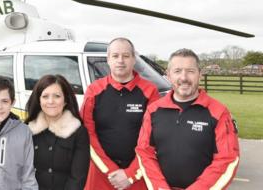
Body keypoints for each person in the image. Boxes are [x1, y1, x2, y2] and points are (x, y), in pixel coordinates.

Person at [136, 49, 240, 190]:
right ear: (168, 75)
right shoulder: (153, 110)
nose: (184, 77)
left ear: (200, 75)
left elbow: (228, 159)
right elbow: (144, 151)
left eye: (190, 71)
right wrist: (159, 186)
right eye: (177, 71)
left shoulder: (219, 112)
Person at [81, 37, 160, 190]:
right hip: (101, 174)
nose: (120, 60)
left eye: (126, 56)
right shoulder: (94, 90)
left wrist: (131, 174)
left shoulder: (150, 91)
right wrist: (110, 170)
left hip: (138, 175)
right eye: (115, 56)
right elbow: (87, 134)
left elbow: (154, 137)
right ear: (108, 59)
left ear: (133, 59)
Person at [25, 74, 90, 190]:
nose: (51, 101)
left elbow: (78, 177)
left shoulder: (78, 132)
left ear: (65, 100)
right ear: (38, 100)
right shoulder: (27, 130)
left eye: (57, 96)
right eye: (45, 96)